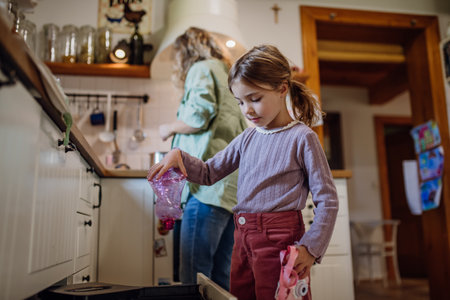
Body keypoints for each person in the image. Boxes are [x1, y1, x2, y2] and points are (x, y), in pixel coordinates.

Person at [149, 44, 338, 300]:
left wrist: (311, 247)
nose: (247, 109)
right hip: (243, 238)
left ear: (282, 88)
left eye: (255, 99)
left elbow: (327, 200)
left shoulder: (302, 138)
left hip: (280, 240)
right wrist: (179, 156)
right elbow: (208, 173)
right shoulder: (247, 138)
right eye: (240, 101)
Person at [157, 27, 247, 290]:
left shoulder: (201, 68)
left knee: (193, 281)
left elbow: (197, 117)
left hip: (205, 190)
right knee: (221, 280)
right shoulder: (228, 74)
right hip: (231, 191)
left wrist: (168, 128)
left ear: (186, 52)